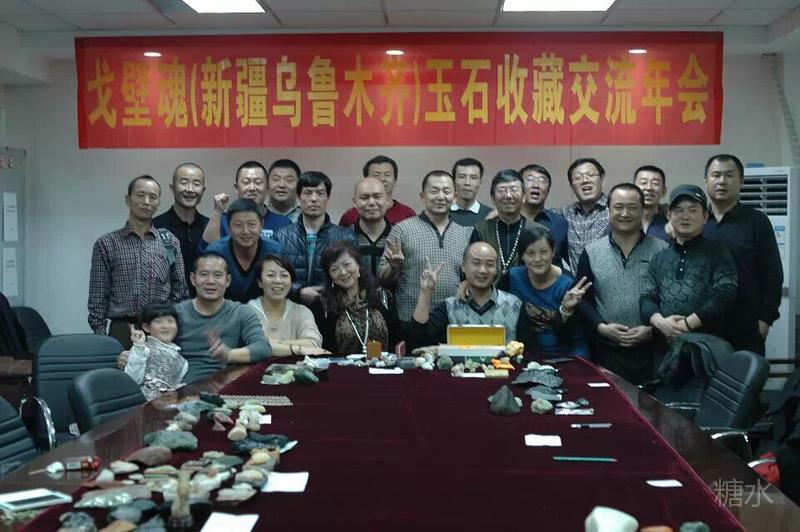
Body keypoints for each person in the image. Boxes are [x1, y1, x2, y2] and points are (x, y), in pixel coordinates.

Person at [117, 253, 270, 383]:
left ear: (227, 280)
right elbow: (149, 348)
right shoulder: (174, 314)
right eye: (204, 274)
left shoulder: (241, 312)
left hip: (225, 384)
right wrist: (129, 357)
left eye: (218, 275)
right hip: (179, 388)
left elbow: (263, 348)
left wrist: (228, 355)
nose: (210, 281)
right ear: (193, 279)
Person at [576, 184, 668, 384]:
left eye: (632, 207)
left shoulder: (663, 250)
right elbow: (583, 300)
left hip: (652, 350)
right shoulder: (591, 251)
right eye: (618, 207)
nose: (625, 213)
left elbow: (670, 299)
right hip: (606, 349)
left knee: (650, 402)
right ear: (608, 210)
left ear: (643, 210)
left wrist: (653, 330)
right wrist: (601, 327)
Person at [89, 175, 188, 349]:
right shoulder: (107, 244)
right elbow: (98, 298)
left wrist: (168, 324)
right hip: (122, 329)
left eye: (153, 197)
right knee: (122, 368)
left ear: (158, 203)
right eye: (141, 195)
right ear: (128, 199)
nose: (146, 201)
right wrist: (103, 342)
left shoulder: (169, 242)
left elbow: (180, 291)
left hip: (160, 329)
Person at [703, 153, 783, 355]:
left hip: (747, 327)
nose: (722, 181)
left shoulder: (757, 221)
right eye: (716, 175)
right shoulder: (696, 221)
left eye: (729, 175)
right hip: (702, 325)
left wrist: (765, 320)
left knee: (745, 375)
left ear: (741, 182)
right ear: (706, 181)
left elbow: (773, 273)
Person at [640, 185, 738, 345]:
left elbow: (726, 294)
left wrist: (687, 324)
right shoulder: (659, 257)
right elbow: (647, 297)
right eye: (679, 210)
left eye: (693, 210)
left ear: (705, 216)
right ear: (669, 215)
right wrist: (660, 322)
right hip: (665, 345)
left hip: (706, 346)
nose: (685, 216)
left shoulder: (718, 252)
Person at [378, 170, 476, 331]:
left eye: (446, 191)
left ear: (454, 197)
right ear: (422, 196)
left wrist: (466, 281)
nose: (441, 196)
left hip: (453, 318)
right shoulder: (402, 229)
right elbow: (382, 278)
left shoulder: (466, 232)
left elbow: (472, 276)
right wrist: (393, 267)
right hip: (409, 319)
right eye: (434, 191)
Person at [412, 242, 521, 348]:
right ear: (463, 267)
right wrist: (426, 291)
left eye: (489, 264)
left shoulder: (515, 305)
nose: (482, 270)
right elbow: (420, 337)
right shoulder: (450, 307)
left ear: (496, 270)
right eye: (476, 263)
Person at [273, 171, 358, 305]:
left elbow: (354, 279)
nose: (313, 199)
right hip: (291, 307)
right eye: (308, 193)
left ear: (328, 197)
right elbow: (272, 277)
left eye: (320, 193)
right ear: (299, 197)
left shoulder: (346, 237)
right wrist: (298, 291)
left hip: (332, 308)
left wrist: (327, 293)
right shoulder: (281, 236)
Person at [507, 225, 591, 357]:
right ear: (522, 255)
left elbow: (571, 334)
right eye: (530, 253)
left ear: (553, 252)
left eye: (543, 252)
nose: (537, 259)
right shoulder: (513, 277)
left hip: (568, 352)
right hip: (529, 353)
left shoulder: (568, 285)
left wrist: (566, 310)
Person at [310, 241, 399, 354]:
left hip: (381, 363)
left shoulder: (382, 297)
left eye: (347, 264)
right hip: (339, 364)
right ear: (330, 276)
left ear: (358, 265)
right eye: (334, 269)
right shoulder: (322, 306)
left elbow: (397, 340)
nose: (342, 272)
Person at [204, 199, 283, 303]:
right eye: (238, 225)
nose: (245, 231)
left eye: (251, 224)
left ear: (261, 225)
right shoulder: (216, 252)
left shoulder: (274, 251)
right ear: (229, 227)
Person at [246, 255, 326, 357]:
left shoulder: (302, 312)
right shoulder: (246, 312)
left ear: (291, 282)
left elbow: (313, 343)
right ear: (260, 282)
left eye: (284, 275)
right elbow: (250, 346)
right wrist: (297, 349)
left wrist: (268, 343)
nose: (278, 281)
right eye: (271, 275)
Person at [200, 160, 291, 246]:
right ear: (236, 187)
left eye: (258, 182)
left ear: (267, 188)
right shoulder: (222, 221)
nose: (252, 188)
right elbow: (208, 251)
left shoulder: (283, 223)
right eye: (246, 182)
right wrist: (217, 212)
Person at [153, 163, 209, 296]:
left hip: (206, 303)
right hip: (166, 305)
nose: (190, 189)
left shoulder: (210, 227)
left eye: (196, 184)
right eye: (184, 182)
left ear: (203, 190)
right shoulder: (155, 226)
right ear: (172, 188)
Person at [474, 170, 529, 281]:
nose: (508, 195)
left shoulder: (537, 230)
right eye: (502, 190)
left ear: (524, 196)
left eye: (514, 190)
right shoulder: (481, 230)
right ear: (493, 198)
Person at [125, 302, 188, 400]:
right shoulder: (142, 349)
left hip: (166, 404)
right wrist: (138, 347)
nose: (165, 326)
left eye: (170, 321)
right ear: (146, 327)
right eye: (158, 321)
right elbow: (132, 380)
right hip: (140, 402)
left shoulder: (183, 362)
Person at [557, 157, 610, 271]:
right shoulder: (564, 214)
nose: (585, 180)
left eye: (591, 175)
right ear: (572, 186)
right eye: (578, 177)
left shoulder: (616, 210)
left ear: (602, 180)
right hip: (577, 282)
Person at [338, 155, 417, 226]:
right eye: (376, 175)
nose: (382, 179)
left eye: (387, 175)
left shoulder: (408, 214)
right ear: (366, 180)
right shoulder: (350, 216)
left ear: (395, 181)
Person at [519, 164, 569, 268]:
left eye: (542, 181)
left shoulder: (559, 222)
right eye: (530, 180)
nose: (536, 185)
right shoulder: (507, 220)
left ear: (548, 191)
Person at [351, 177, 392, 278]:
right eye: (364, 198)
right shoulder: (345, 236)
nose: (371, 202)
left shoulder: (399, 235)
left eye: (377, 197)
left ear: (387, 200)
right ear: (354, 202)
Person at [449, 157, 492, 226]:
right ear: (453, 181)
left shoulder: (491, 216)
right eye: (462, 177)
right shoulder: (441, 213)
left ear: (480, 183)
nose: (467, 183)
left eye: (473, 177)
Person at [633, 165, 669, 241]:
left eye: (655, 183)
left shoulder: (671, 222)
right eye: (643, 183)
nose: (649, 188)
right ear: (633, 189)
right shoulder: (621, 220)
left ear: (664, 191)